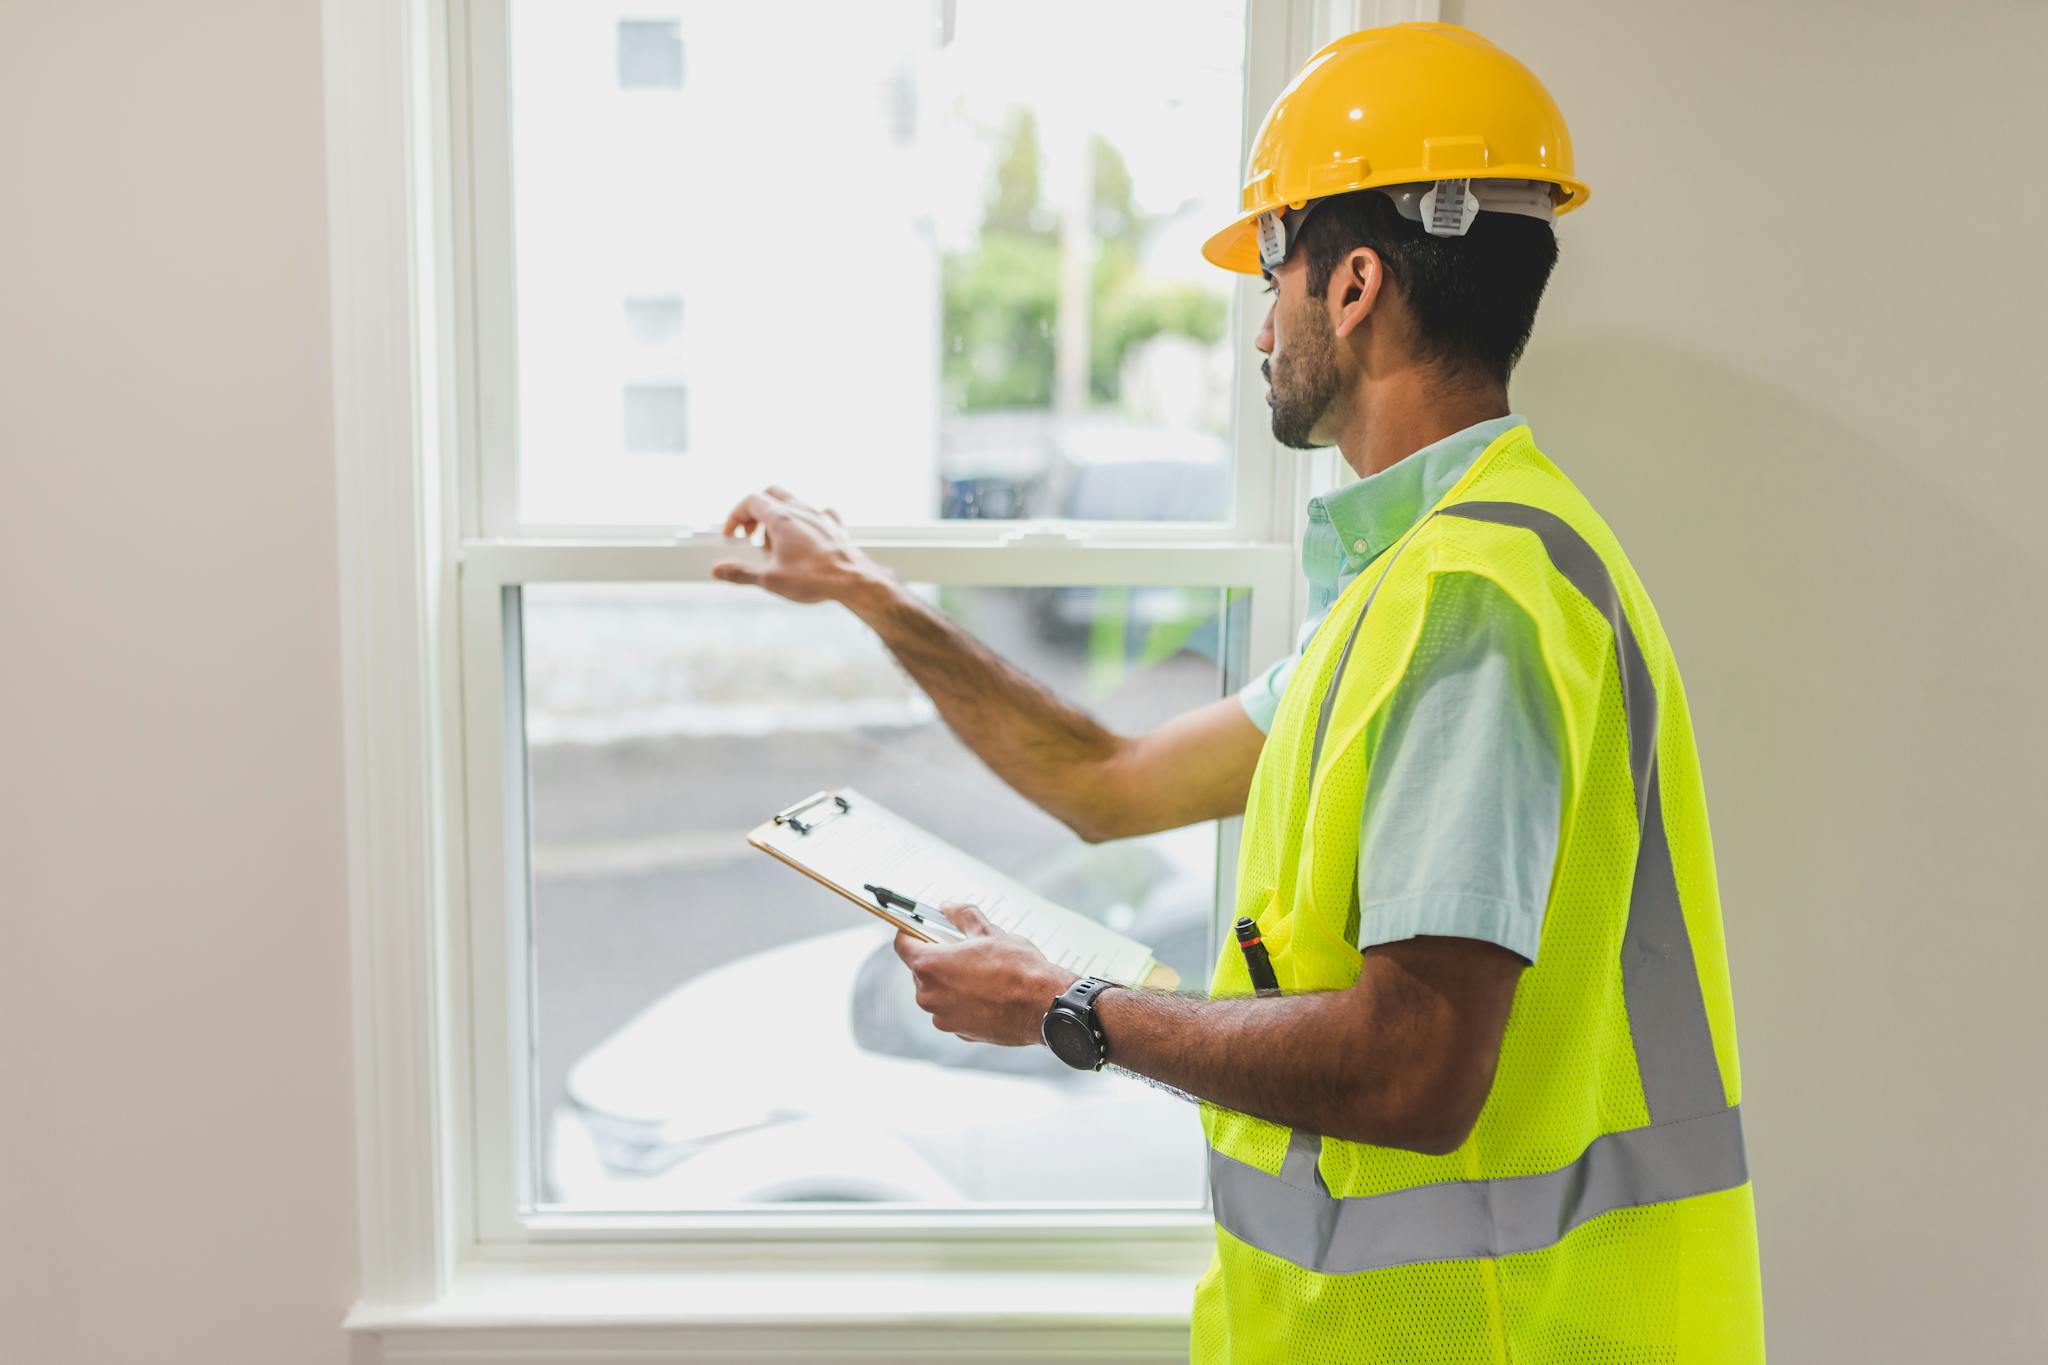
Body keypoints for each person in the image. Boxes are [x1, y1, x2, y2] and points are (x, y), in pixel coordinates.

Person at [712, 22, 1763, 1364]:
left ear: (1356, 286)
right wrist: (868, 589)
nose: (1258, 326)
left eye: (1272, 276)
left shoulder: (1472, 607)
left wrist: (1067, 1008)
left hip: (1490, 1338)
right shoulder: (1420, 588)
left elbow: (1417, 1065)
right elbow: (1107, 783)